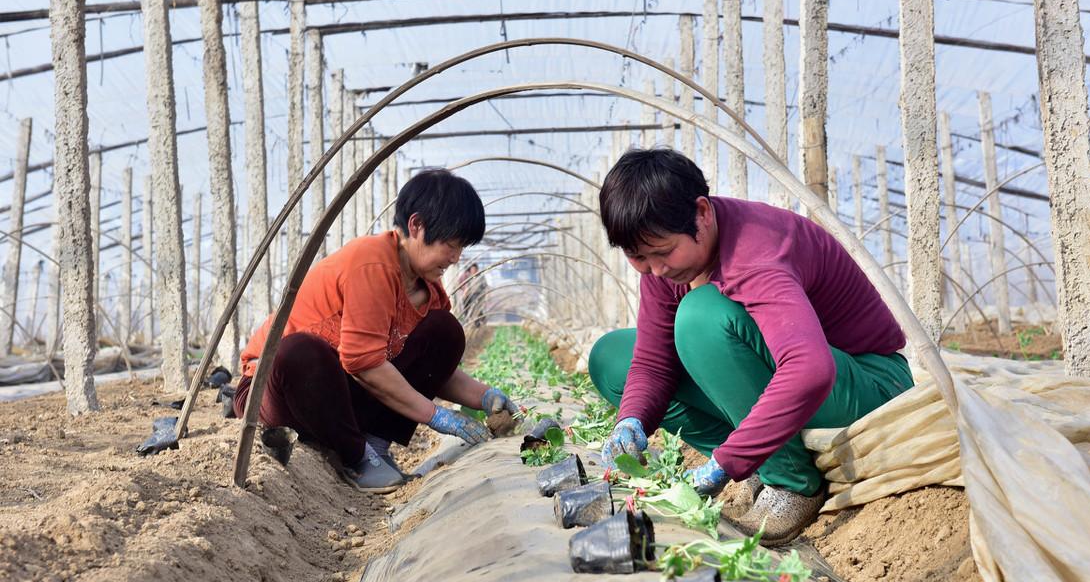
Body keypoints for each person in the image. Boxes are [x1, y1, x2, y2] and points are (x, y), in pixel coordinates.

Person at [589, 148, 913, 545]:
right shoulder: (664, 264)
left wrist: (728, 460)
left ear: (702, 215)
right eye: (637, 257)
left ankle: (791, 482)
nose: (656, 270)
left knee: (701, 318)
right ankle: (761, 458)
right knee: (613, 358)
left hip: (868, 385)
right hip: (792, 385)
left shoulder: (756, 251)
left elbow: (810, 369)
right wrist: (632, 420)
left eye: (663, 252)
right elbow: (654, 362)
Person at [234, 169, 518, 492]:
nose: (455, 258)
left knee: (445, 332)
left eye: (461, 248)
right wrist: (435, 415)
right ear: (416, 226)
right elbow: (362, 362)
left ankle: (375, 446)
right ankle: (357, 456)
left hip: (338, 393)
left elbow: (437, 373)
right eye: (450, 245)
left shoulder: (431, 292)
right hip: (279, 388)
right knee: (301, 351)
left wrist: (485, 396)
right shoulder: (372, 263)